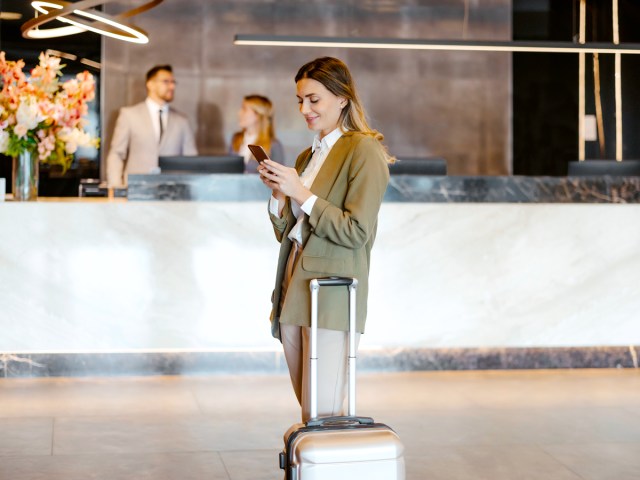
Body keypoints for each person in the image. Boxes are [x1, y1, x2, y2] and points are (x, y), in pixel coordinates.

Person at [258, 57, 392, 422]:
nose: (305, 109)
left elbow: (355, 231)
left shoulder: (363, 150)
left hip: (332, 291)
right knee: (309, 405)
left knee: (325, 406)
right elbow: (288, 231)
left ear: (342, 98)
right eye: (300, 100)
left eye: (314, 99)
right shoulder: (307, 156)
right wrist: (280, 194)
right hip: (294, 280)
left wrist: (300, 191)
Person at [106, 65, 197, 187]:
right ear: (150, 84)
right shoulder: (129, 115)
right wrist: (115, 186)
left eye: (173, 82)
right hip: (136, 190)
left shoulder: (182, 121)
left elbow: (191, 160)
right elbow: (116, 154)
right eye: (166, 82)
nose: (172, 86)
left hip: (172, 192)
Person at [229, 94, 285, 173]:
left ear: (258, 115)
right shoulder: (236, 139)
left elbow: (279, 177)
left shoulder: (274, 145)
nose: (239, 113)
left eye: (244, 109)